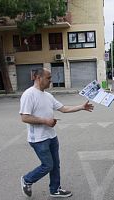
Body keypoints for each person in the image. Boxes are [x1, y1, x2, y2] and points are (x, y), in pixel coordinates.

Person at [19, 68, 94, 198]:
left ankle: (55, 189)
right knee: (48, 165)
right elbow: (25, 117)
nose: (51, 81)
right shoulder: (28, 94)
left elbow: (63, 108)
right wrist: (45, 121)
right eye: (48, 78)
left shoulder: (48, 96)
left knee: (55, 165)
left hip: (51, 136)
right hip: (38, 139)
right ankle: (27, 179)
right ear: (38, 78)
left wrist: (81, 107)